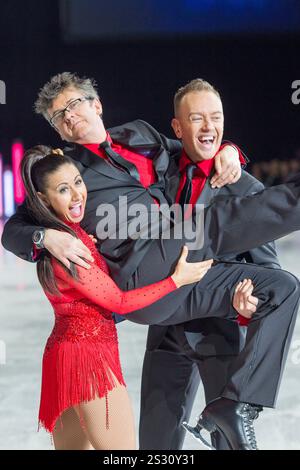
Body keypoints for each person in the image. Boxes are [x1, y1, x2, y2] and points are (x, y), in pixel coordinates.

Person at [2, 72, 300, 449]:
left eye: (73, 105)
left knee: (281, 286)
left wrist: (230, 151)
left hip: (200, 306)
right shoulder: (68, 173)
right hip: (144, 275)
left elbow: (193, 149)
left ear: (97, 105)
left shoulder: (141, 136)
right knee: (209, 225)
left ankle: (235, 407)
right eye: (58, 116)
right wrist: (46, 237)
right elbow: (14, 227)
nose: (68, 117)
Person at [21, 145, 217, 450]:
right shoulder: (69, 249)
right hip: (89, 359)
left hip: (63, 355)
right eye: (63, 189)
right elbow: (119, 303)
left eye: (78, 182)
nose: (77, 194)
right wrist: (176, 280)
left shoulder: (64, 238)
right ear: (44, 199)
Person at [139, 78, 280, 450]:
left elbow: (271, 274)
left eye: (215, 118)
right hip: (165, 333)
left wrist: (249, 308)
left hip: (220, 333)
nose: (209, 127)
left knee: (227, 441)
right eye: (197, 118)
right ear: (177, 127)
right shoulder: (161, 176)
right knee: (154, 445)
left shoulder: (246, 189)